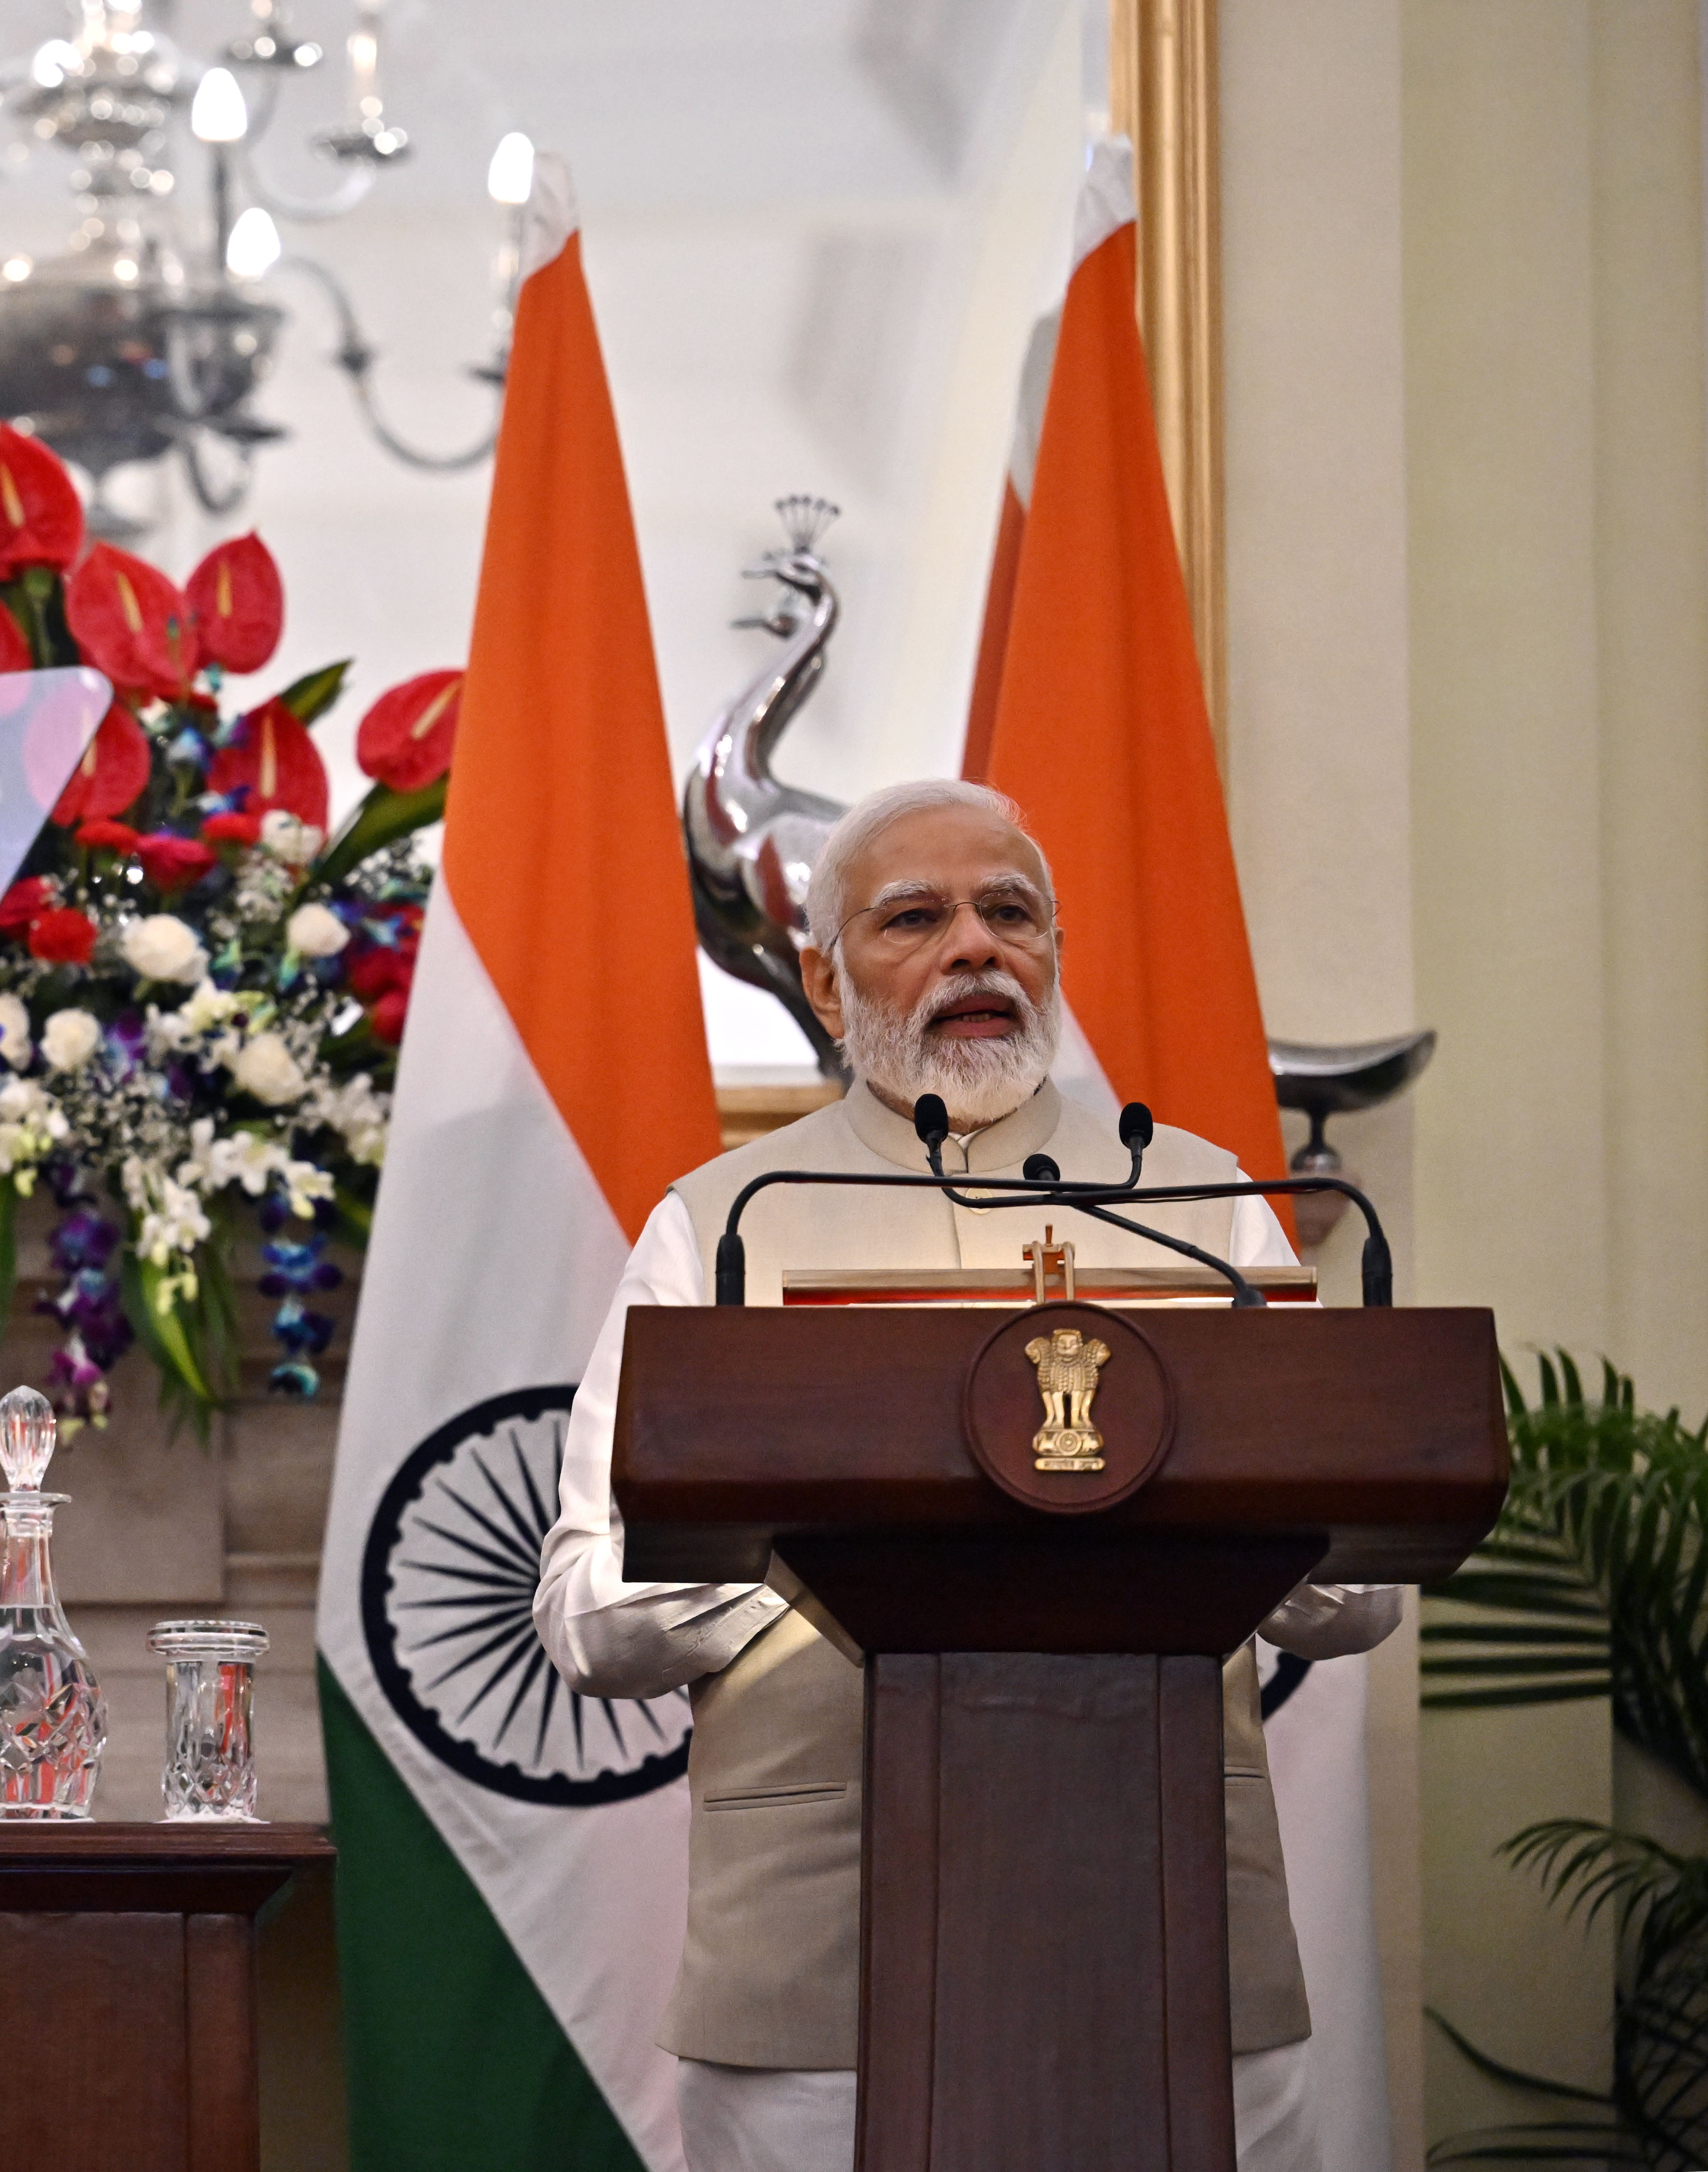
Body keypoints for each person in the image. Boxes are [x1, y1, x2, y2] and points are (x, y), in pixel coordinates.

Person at [533, 778, 1394, 2172]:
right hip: (823, 1975)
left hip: (1176, 1939)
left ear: (1055, 953)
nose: (976, 950)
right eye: (915, 918)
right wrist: (845, 1551)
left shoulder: (1204, 1205)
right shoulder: (723, 1231)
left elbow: (1356, 1598)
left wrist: (1207, 1537)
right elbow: (584, 1615)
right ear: (824, 980)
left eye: (1010, 914)